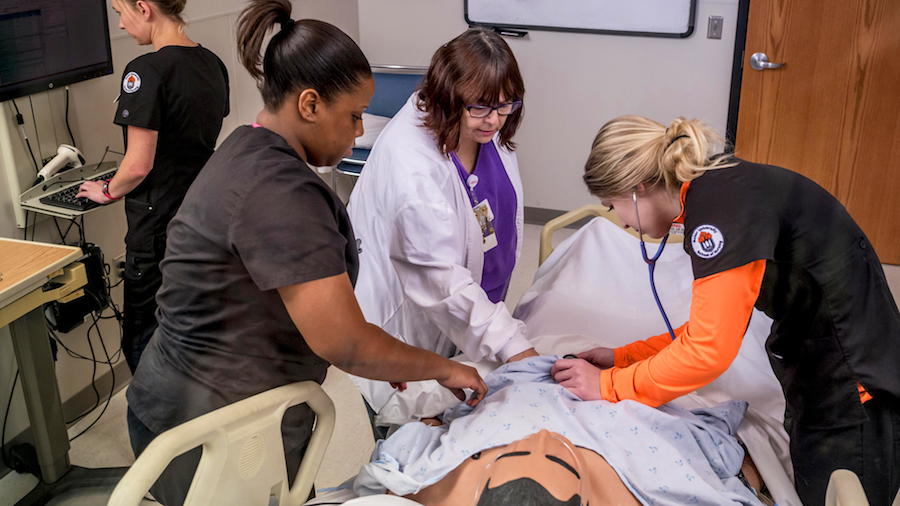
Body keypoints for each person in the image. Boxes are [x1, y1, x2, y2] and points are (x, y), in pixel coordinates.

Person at [124, 2, 487, 505]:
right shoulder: (279, 193)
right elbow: (345, 342)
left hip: (199, 396)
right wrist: (442, 368)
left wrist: (391, 359)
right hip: (206, 423)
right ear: (310, 104)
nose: (359, 132)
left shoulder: (247, 148)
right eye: (354, 116)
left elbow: (319, 313)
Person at [551, 115, 900, 505]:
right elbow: (708, 328)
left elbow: (706, 353)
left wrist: (606, 387)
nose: (623, 222)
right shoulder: (715, 192)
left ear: (636, 188)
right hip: (819, 357)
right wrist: (623, 357)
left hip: (853, 382)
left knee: (840, 490)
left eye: (614, 206)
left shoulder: (720, 214)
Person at [348, 28, 537, 438]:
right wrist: (511, 344)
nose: (495, 120)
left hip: (468, 318)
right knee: (408, 443)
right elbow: (439, 280)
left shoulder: (485, 126)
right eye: (482, 108)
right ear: (447, 97)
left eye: (506, 106)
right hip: (404, 326)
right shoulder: (412, 164)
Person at [351, 357, 764, 505]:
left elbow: (409, 444)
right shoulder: (656, 489)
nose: (543, 441)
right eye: (553, 457)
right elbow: (730, 471)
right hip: (614, 421)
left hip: (520, 395)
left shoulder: (428, 487)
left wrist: (438, 421)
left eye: (511, 455)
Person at [77, 0, 230, 373]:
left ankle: (158, 425)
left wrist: (107, 190)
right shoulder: (212, 62)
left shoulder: (144, 71)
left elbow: (139, 165)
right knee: (196, 329)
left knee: (145, 341)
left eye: (119, 12)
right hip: (200, 217)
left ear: (143, 8)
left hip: (156, 225)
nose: (121, 24)